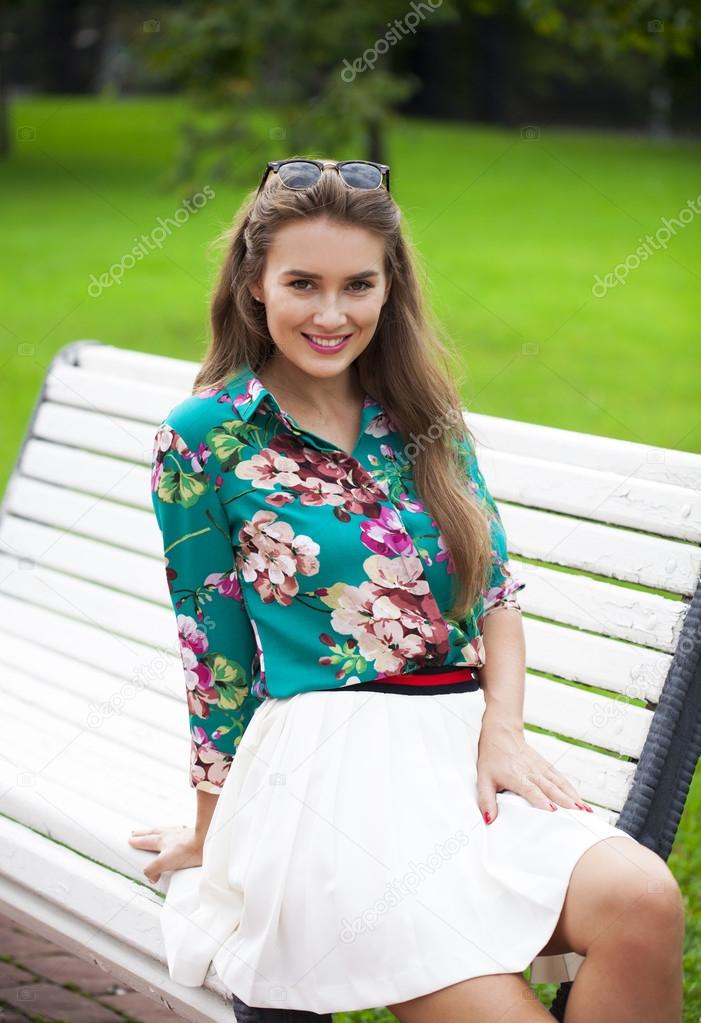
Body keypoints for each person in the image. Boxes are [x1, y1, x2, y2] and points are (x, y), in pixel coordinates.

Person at [130, 158, 685, 1023]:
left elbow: (495, 596)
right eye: (301, 283)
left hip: (461, 753)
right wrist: (214, 830)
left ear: (389, 290)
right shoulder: (204, 437)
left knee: (642, 898)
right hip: (329, 775)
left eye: (357, 285)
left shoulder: (421, 417)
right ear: (252, 284)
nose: (330, 313)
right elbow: (215, 658)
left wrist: (502, 731)